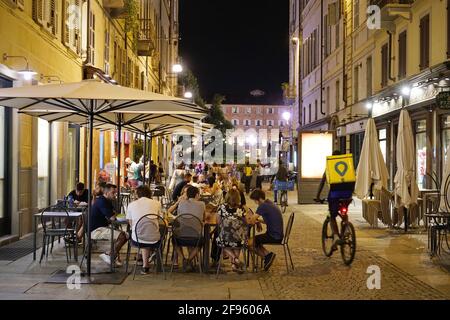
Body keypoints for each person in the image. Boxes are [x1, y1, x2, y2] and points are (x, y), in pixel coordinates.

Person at [315, 150, 355, 251]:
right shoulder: (348, 165)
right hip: (348, 194)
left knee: (332, 215)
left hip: (335, 195)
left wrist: (317, 196)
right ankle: (346, 227)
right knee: (344, 211)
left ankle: (336, 236)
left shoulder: (330, 166)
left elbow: (322, 183)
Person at [126, 185, 163, 275]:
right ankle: (150, 257)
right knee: (152, 232)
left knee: (142, 234)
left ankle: (145, 264)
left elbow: (131, 224)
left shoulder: (131, 205)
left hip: (137, 239)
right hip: (155, 240)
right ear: (149, 193)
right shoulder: (157, 203)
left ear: (137, 194)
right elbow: (160, 219)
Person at [89, 183, 129, 266]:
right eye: (113, 193)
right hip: (96, 230)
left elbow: (114, 214)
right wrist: (114, 215)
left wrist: (114, 215)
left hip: (102, 227)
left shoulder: (107, 201)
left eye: (115, 192)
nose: (115, 194)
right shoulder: (102, 201)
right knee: (122, 236)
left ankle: (111, 255)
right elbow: (112, 217)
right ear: (106, 193)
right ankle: (110, 255)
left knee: (125, 235)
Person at [247, 189, 284, 271]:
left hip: (273, 236)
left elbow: (251, 220)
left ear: (259, 199)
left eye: (255, 200)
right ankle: (267, 256)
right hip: (278, 234)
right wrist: (259, 221)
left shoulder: (263, 206)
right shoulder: (269, 203)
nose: (255, 203)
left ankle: (267, 256)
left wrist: (251, 219)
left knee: (249, 243)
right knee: (255, 241)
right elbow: (268, 221)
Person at [173, 186, 207, 271]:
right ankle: (189, 260)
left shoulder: (181, 203)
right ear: (196, 195)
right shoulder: (202, 204)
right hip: (196, 238)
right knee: (202, 242)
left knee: (174, 240)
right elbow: (204, 219)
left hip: (181, 237)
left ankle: (184, 259)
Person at [216, 189, 246, 273]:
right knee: (238, 241)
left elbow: (218, 222)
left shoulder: (221, 207)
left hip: (225, 239)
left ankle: (234, 260)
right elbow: (245, 222)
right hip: (239, 240)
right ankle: (235, 262)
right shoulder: (241, 208)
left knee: (219, 241)